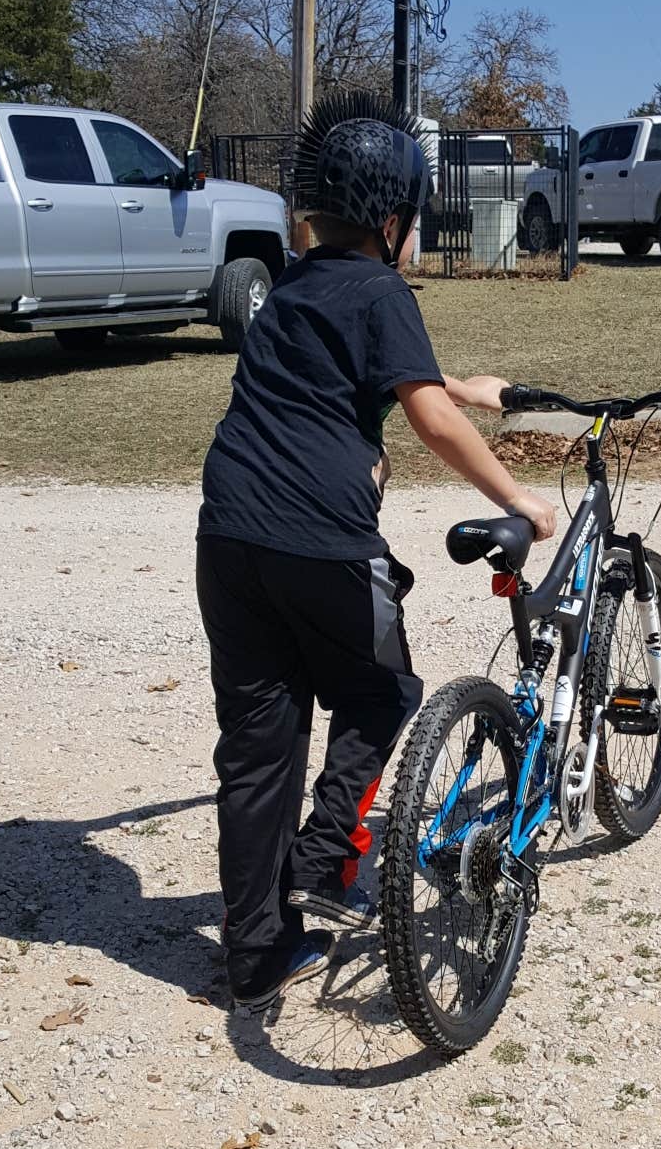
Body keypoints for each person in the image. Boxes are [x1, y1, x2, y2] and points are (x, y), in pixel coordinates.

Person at [195, 90, 557, 1011]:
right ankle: (324, 862)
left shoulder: (290, 287)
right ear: (391, 220)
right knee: (381, 690)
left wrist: (456, 383)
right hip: (318, 538)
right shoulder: (384, 289)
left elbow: (347, 374)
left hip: (228, 533)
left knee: (259, 744)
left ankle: (255, 958)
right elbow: (426, 418)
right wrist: (518, 499)